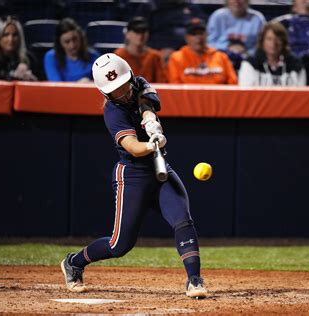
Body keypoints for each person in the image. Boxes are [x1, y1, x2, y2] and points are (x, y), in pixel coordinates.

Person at [60, 53, 208, 299]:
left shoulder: (138, 83)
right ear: (106, 93)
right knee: (120, 245)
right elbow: (132, 147)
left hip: (159, 167)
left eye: (124, 86)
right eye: (115, 90)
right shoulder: (112, 112)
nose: (123, 93)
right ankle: (73, 262)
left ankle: (194, 280)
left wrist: (151, 124)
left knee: (183, 219)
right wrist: (151, 145)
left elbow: (146, 105)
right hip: (132, 174)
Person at [168, 18, 237, 84]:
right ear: (186, 38)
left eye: (201, 33)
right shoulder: (176, 58)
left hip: (219, 96)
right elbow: (174, 85)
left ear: (207, 35)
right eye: (194, 34)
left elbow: (232, 83)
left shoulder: (221, 57)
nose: (198, 37)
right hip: (187, 96)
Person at [134, 0, 207, 63]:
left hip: (188, 52)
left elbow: (201, 32)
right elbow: (138, 33)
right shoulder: (149, 7)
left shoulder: (191, 7)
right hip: (157, 51)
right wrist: (155, 53)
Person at [238, 21, 306, 86]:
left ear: (283, 42)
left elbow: (301, 92)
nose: (273, 43)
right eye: (269, 39)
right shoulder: (250, 64)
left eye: (278, 39)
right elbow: (246, 93)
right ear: (262, 42)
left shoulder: (296, 65)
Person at [0, 15, 38, 81]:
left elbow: (39, 86)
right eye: (6, 35)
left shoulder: (29, 59)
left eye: (15, 35)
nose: (11, 39)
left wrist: (30, 79)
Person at [114, 17, 167, 83]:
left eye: (143, 31)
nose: (140, 35)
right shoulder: (118, 56)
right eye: (136, 31)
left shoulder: (155, 56)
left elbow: (162, 85)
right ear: (127, 34)